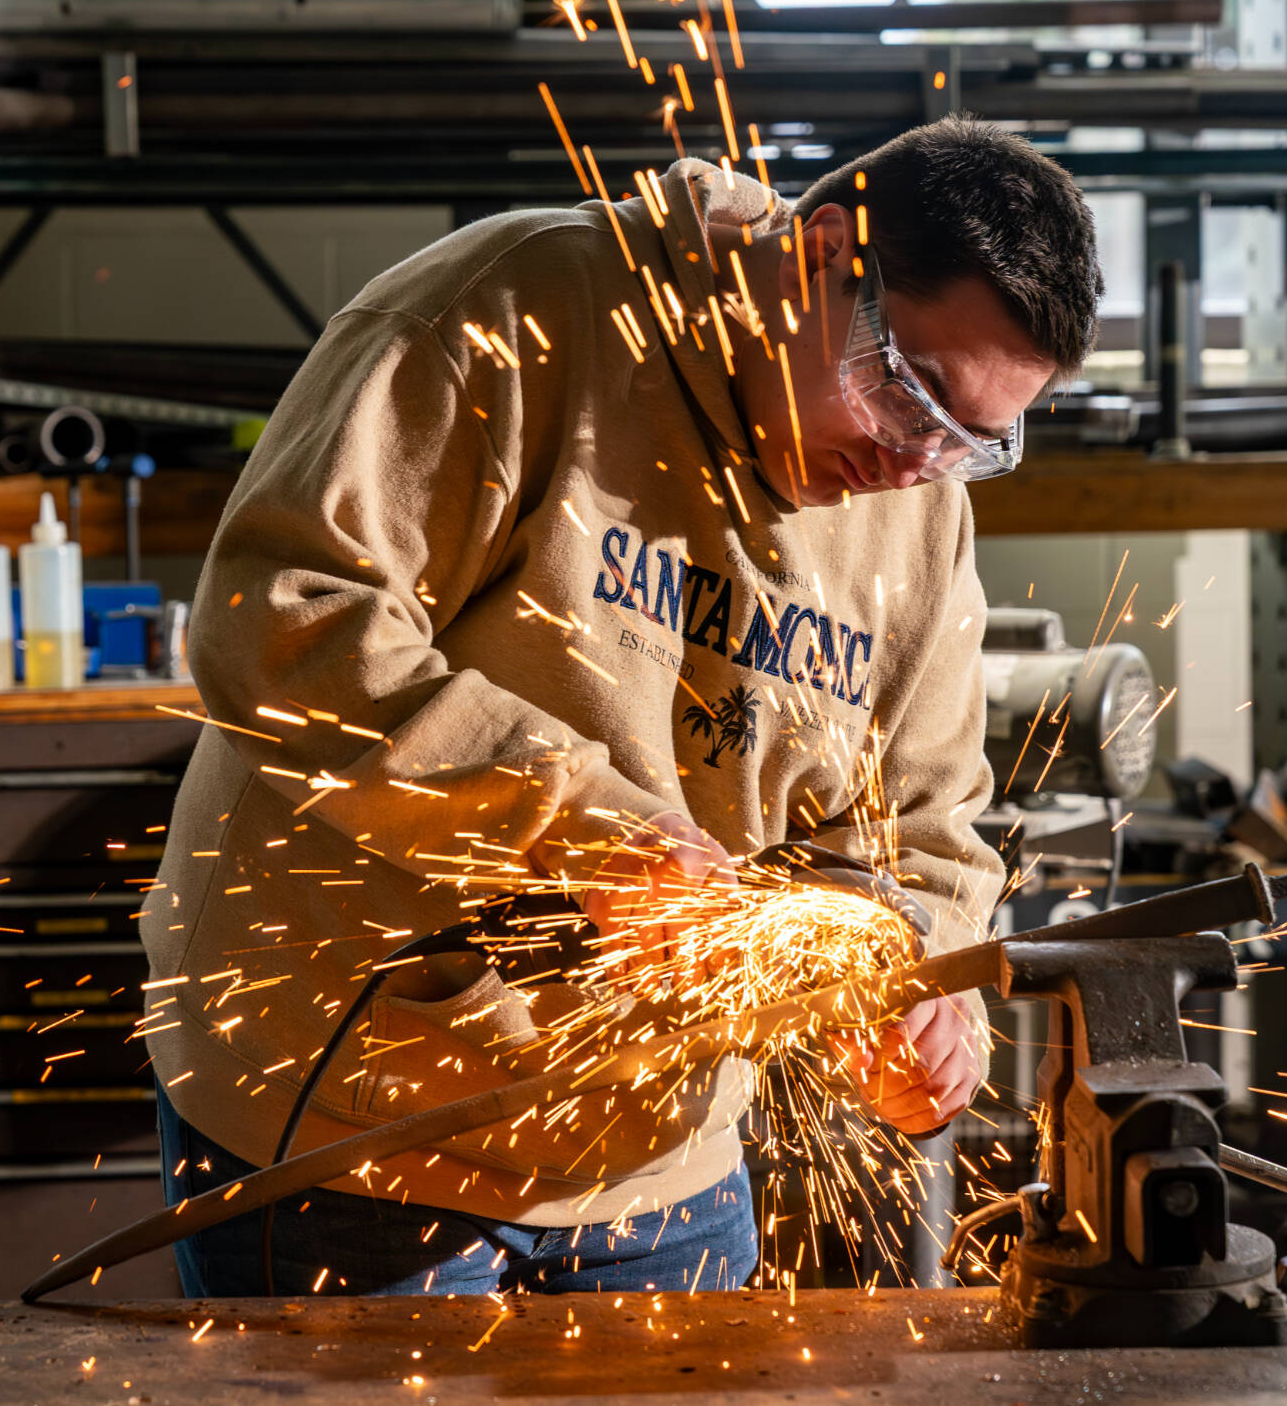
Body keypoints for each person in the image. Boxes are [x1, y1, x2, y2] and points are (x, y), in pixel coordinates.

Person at [142, 115, 1103, 1297]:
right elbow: (285, 626)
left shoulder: (917, 507)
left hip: (662, 1158)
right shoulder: (511, 316)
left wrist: (914, 980)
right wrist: (591, 836)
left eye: (973, 442)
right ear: (820, 257)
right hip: (358, 1114)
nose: (915, 463)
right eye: (909, 397)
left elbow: (923, 825)